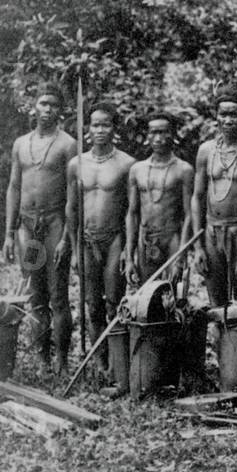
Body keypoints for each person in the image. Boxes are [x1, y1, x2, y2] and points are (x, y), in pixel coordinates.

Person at [3, 83, 76, 376]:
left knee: (58, 293)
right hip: (28, 229)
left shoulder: (67, 144)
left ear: (61, 111)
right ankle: (43, 357)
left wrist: (67, 236)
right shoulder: (21, 143)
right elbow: (14, 187)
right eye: (43, 103)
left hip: (55, 224)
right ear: (34, 106)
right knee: (35, 294)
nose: (48, 110)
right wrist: (9, 234)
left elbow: (74, 195)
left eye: (54, 105)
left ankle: (61, 359)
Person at [65, 101, 135, 381]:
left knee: (114, 303)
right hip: (86, 240)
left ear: (114, 129)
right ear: (87, 128)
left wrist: (129, 248)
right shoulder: (76, 164)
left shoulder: (126, 164)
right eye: (95, 124)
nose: (100, 130)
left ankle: (120, 363)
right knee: (92, 304)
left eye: (106, 124)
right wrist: (72, 248)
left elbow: (132, 211)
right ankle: (100, 361)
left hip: (114, 239)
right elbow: (71, 208)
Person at [191, 87, 237, 306]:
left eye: (234, 114)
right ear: (216, 116)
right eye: (223, 114)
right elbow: (197, 197)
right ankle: (220, 340)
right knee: (216, 298)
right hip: (212, 230)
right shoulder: (206, 150)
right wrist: (198, 245)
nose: (228, 120)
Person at [125, 111, 194, 286]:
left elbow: (189, 215)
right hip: (145, 239)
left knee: (175, 297)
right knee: (147, 297)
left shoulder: (183, 170)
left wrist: (182, 253)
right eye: (153, 132)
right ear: (147, 136)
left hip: (172, 239)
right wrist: (129, 256)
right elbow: (132, 214)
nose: (158, 138)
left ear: (173, 134)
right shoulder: (137, 169)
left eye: (163, 132)